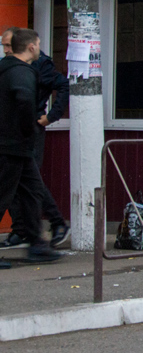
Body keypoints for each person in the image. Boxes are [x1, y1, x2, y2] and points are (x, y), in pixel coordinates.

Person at [0, 27, 70, 249]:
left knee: (27, 185)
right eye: (3, 46)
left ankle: (39, 234)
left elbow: (62, 85)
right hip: (16, 136)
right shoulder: (9, 67)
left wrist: (50, 117)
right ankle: (31, 236)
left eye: (9, 45)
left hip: (25, 133)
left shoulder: (38, 66)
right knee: (25, 186)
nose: (6, 49)